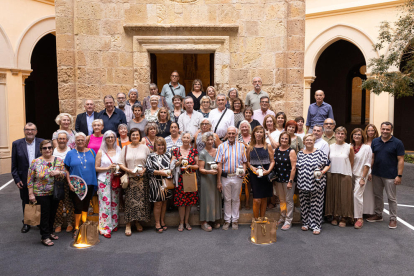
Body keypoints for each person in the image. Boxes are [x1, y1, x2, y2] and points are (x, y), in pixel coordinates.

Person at [27, 140, 67, 246]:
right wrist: (31, 194)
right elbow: (30, 179)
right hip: (40, 193)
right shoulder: (35, 162)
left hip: (54, 192)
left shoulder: (58, 160)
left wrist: (58, 172)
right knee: (44, 215)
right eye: (45, 148)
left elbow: (64, 173)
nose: (47, 150)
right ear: (41, 150)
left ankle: (49, 232)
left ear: (52, 149)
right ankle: (44, 236)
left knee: (52, 214)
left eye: (49, 147)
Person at [367, 122, 404, 229]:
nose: (385, 131)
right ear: (380, 129)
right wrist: (370, 171)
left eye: (387, 129)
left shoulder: (397, 142)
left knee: (391, 198)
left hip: (391, 176)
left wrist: (399, 175)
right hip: (377, 174)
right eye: (383, 129)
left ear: (391, 130)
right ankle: (378, 214)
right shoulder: (375, 141)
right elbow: (373, 157)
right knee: (377, 195)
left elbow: (401, 160)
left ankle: (393, 218)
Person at [11, 123, 43, 233]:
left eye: (32, 130)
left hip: (40, 178)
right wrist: (16, 179)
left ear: (36, 131)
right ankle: (27, 222)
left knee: (40, 200)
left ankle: (39, 222)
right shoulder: (16, 144)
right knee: (26, 200)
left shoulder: (42, 142)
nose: (30, 132)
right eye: (27, 129)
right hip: (24, 178)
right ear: (24, 131)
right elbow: (14, 164)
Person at [64, 132, 98, 237]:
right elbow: (66, 169)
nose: (80, 142)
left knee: (86, 205)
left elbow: (96, 166)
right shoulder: (70, 153)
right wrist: (69, 182)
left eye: (82, 140)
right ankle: (76, 227)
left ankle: (84, 225)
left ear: (85, 141)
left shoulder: (92, 152)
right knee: (77, 205)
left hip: (90, 182)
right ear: (75, 142)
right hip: (76, 183)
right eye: (78, 140)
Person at [296, 133, 330, 235]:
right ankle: (306, 223)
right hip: (302, 183)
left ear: (314, 141)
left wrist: (322, 172)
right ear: (304, 142)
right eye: (307, 140)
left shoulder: (319, 153)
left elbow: (328, 164)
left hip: (316, 184)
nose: (309, 142)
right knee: (304, 204)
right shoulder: (300, 153)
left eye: (311, 140)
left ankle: (316, 225)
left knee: (316, 205)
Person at [118, 128, 151, 236]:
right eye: (133, 135)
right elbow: (120, 163)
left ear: (139, 136)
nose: (135, 137)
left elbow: (149, 163)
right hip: (130, 179)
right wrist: (129, 171)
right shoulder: (125, 148)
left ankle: (137, 222)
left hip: (142, 179)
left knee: (140, 203)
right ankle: (128, 224)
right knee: (130, 202)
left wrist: (144, 171)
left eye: (137, 135)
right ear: (130, 136)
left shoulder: (145, 148)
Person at [215, 127, 247, 230]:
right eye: (229, 133)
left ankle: (235, 220)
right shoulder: (221, 146)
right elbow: (219, 164)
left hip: (237, 177)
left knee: (236, 199)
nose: (231, 135)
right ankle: (227, 220)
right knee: (227, 199)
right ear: (227, 134)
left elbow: (244, 162)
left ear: (236, 134)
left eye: (233, 133)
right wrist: (218, 180)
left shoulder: (241, 147)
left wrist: (244, 171)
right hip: (225, 177)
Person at [325, 127, 355, 227]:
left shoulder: (349, 147)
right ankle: (334, 216)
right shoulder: (330, 146)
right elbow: (328, 160)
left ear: (345, 136)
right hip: (332, 173)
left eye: (342, 134)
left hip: (345, 174)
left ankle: (344, 217)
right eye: (338, 133)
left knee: (344, 197)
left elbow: (351, 161)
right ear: (335, 135)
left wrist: (347, 171)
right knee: (333, 195)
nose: (340, 135)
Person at [170, 131, 199, 232]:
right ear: (181, 139)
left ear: (190, 139)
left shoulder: (194, 151)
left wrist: (190, 166)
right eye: (184, 137)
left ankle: (187, 221)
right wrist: (179, 161)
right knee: (181, 202)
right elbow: (171, 166)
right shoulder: (176, 151)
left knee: (189, 201)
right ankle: (181, 222)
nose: (186, 139)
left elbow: (197, 165)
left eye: (188, 138)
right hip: (180, 179)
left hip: (190, 177)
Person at [95, 130, 121, 238]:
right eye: (108, 137)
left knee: (115, 201)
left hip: (115, 177)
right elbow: (96, 168)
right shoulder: (101, 151)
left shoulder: (119, 150)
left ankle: (114, 223)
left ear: (115, 138)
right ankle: (105, 228)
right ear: (105, 139)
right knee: (105, 203)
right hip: (103, 178)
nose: (110, 139)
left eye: (112, 137)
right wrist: (108, 168)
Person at [146, 137, 173, 233]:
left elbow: (172, 167)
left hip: (166, 183)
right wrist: (160, 172)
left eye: (162, 145)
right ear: (155, 146)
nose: (161, 147)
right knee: (157, 204)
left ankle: (162, 220)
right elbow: (148, 170)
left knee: (164, 202)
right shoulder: (151, 156)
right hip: (155, 183)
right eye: (159, 145)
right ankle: (157, 222)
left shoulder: (168, 155)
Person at [247, 126, 275, 220]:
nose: (259, 134)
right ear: (253, 134)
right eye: (257, 132)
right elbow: (247, 162)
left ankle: (262, 219)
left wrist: (268, 171)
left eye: (261, 132)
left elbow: (272, 161)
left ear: (264, 134)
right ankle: (255, 220)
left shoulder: (268, 146)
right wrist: (252, 168)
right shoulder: (249, 147)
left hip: (265, 174)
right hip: (255, 175)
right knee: (256, 199)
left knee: (264, 199)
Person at [198, 132, 222, 231]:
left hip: (215, 179)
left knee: (215, 199)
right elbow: (201, 169)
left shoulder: (217, 151)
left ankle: (214, 219)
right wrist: (209, 172)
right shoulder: (202, 153)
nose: (210, 141)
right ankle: (204, 222)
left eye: (212, 140)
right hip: (206, 179)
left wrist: (219, 181)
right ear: (204, 141)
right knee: (206, 199)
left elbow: (219, 166)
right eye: (208, 140)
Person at [274, 132, 297, 230]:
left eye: (286, 139)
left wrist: (290, 181)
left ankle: (288, 220)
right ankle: (282, 217)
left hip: (288, 179)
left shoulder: (291, 151)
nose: (284, 140)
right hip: (278, 179)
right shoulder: (276, 150)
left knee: (289, 200)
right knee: (282, 200)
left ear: (289, 140)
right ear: (280, 139)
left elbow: (294, 167)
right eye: (282, 138)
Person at [52, 131, 74, 233]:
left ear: (67, 140)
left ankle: (70, 223)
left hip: (67, 180)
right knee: (58, 203)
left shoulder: (71, 150)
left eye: (63, 138)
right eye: (60, 138)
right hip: (55, 181)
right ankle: (58, 224)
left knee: (69, 202)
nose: (61, 140)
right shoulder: (52, 151)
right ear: (57, 140)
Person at [350, 128, 372, 229]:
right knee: (350, 195)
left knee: (356, 195)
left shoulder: (366, 148)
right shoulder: (349, 146)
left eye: (359, 134)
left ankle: (359, 218)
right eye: (355, 134)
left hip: (361, 175)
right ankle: (351, 215)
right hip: (350, 174)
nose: (357, 136)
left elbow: (367, 164)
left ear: (362, 136)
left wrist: (363, 177)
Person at [363, 123, 379, 215]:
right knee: (363, 190)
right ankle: (363, 210)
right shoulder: (363, 141)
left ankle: (370, 211)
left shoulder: (378, 141)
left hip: (373, 168)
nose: (370, 132)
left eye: (372, 130)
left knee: (371, 191)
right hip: (362, 167)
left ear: (375, 131)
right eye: (369, 130)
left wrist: (370, 171)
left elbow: (373, 157)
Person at [238, 120, 252, 210]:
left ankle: (247, 202)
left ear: (249, 127)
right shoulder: (237, 137)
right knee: (239, 183)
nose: (244, 128)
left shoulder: (252, 138)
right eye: (242, 127)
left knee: (248, 184)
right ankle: (239, 202)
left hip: (251, 163)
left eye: (246, 127)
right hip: (240, 163)